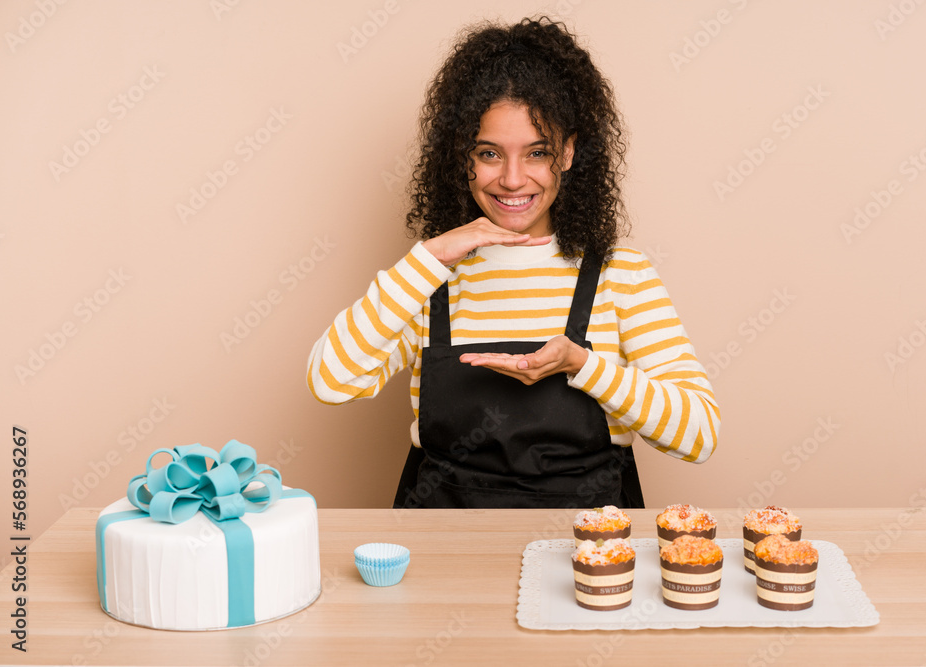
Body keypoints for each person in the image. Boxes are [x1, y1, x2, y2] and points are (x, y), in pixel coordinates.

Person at [307, 16, 720, 509]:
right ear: (463, 159)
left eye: (537, 152)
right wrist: (431, 255)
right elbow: (329, 381)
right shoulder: (426, 277)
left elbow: (699, 435)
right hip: (443, 550)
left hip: (588, 558)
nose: (512, 178)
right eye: (489, 153)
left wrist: (583, 365)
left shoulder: (620, 274)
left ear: (567, 154)